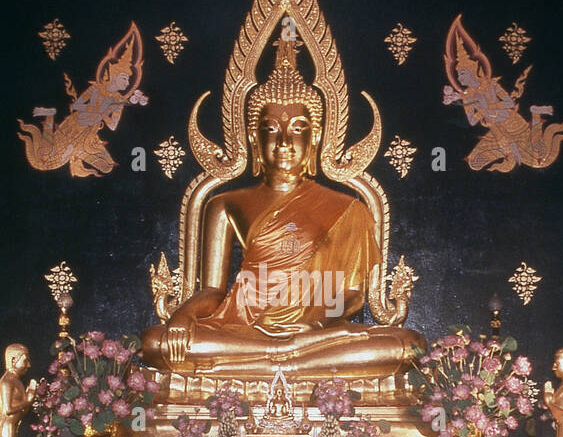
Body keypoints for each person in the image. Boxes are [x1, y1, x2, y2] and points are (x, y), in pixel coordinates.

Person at [142, 38, 423, 378]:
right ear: (253, 139)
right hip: (242, 329)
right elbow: (213, 290)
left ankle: (281, 355)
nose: (285, 142)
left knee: (406, 345)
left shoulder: (348, 207)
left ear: (316, 138)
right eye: (271, 129)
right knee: (155, 342)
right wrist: (184, 316)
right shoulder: (225, 204)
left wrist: (318, 322)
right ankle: (283, 355)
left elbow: (351, 293)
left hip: (316, 333)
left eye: (298, 129)